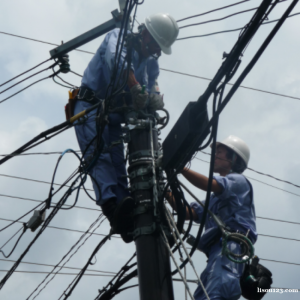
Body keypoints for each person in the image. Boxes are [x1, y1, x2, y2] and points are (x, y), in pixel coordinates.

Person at [74, 13, 179, 224]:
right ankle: (111, 206)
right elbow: (117, 63)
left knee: (117, 158)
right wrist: (135, 88)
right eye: (156, 44)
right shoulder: (118, 37)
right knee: (99, 155)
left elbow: (152, 84)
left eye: (161, 48)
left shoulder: (150, 61)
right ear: (145, 34)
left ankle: (125, 211)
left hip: (113, 115)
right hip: (90, 106)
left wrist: (155, 99)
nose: (157, 51)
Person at [166, 135, 257, 300]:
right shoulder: (214, 199)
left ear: (234, 157)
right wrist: (163, 190)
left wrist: (180, 167)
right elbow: (187, 213)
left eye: (219, 152)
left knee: (217, 293)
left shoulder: (238, 181)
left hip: (231, 246)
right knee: (203, 295)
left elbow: (210, 184)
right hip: (216, 251)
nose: (214, 156)